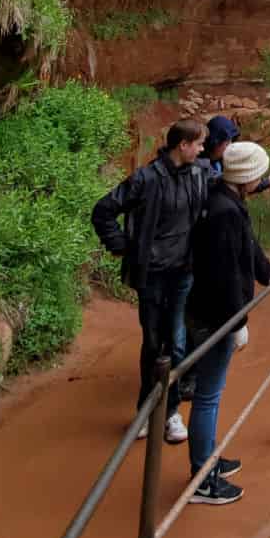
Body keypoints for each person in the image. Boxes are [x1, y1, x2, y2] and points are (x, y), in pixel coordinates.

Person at [91, 119, 209, 444]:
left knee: (177, 344)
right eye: (198, 144)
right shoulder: (145, 179)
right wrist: (122, 247)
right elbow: (103, 211)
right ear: (182, 145)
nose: (202, 150)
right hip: (153, 277)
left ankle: (169, 413)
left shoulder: (199, 175)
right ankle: (147, 411)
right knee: (155, 344)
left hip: (184, 273)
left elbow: (225, 194)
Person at [185, 140, 270, 505]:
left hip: (209, 311)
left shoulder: (224, 198)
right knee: (207, 397)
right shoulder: (224, 211)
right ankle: (202, 480)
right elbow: (225, 273)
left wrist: (268, 272)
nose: (261, 177)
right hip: (215, 317)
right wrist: (236, 321)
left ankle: (209, 460)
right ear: (246, 176)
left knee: (211, 393)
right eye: (258, 172)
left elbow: (248, 246)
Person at [201, 114, 270, 193]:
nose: (230, 146)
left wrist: (267, 182)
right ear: (215, 143)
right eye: (226, 144)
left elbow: (239, 183)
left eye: (231, 141)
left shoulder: (221, 161)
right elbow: (230, 187)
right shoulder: (201, 169)